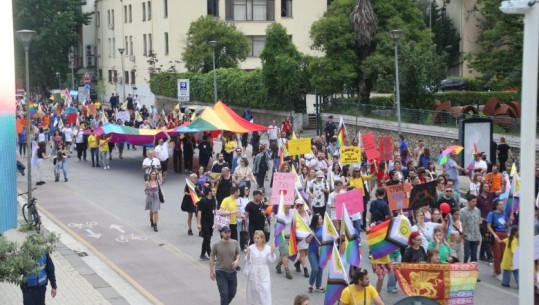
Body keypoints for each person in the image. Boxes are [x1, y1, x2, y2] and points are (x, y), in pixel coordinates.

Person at [210, 225, 241, 305]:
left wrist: (237, 260)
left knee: (232, 292)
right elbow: (212, 257)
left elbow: (238, 253)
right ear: (221, 233)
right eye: (226, 232)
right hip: (221, 272)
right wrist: (211, 271)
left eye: (229, 232)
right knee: (224, 293)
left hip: (232, 272)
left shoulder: (235, 243)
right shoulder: (216, 245)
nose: (228, 234)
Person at [245, 230, 277, 305]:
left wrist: (272, 253)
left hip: (264, 273)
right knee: (253, 293)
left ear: (262, 239)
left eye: (258, 238)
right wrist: (249, 254)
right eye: (255, 238)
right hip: (253, 272)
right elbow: (248, 260)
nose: (256, 240)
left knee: (265, 291)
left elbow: (271, 260)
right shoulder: (251, 247)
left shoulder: (268, 248)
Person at [487, 200, 514, 280]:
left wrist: (510, 220)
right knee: (497, 254)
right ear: (496, 206)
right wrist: (494, 234)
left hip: (504, 234)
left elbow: (506, 225)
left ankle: (495, 268)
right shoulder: (492, 214)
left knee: (502, 254)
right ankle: (498, 273)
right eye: (501, 205)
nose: (502, 206)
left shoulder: (504, 213)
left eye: (503, 205)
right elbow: (488, 225)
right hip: (496, 234)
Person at [460, 195, 482, 265]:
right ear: (468, 202)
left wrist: (478, 236)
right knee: (466, 255)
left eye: (476, 201)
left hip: (475, 236)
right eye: (473, 201)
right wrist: (462, 235)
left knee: (474, 256)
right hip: (466, 237)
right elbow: (461, 224)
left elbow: (478, 223)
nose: (475, 203)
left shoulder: (477, 210)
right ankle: (463, 269)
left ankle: (473, 272)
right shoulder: (463, 211)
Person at [275, 204, 294, 280]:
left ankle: (279, 265)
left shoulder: (292, 213)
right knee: (285, 254)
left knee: (287, 254)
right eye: (286, 204)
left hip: (290, 237)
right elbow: (277, 227)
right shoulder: (280, 215)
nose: (288, 206)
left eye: (289, 204)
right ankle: (287, 271)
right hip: (282, 237)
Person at [198, 187, 217, 260]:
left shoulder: (213, 199)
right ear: (209, 192)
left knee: (207, 239)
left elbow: (214, 209)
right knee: (207, 239)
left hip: (210, 222)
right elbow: (199, 212)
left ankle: (202, 255)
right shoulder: (203, 200)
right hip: (204, 222)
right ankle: (211, 255)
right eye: (213, 191)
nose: (215, 192)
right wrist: (199, 223)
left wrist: (216, 212)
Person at [306, 213, 324, 292]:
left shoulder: (323, 228)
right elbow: (307, 241)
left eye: (321, 219)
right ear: (316, 220)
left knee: (320, 268)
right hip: (312, 251)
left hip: (320, 251)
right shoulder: (310, 229)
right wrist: (311, 236)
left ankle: (318, 285)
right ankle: (310, 284)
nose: (321, 220)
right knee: (315, 269)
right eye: (319, 219)